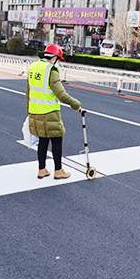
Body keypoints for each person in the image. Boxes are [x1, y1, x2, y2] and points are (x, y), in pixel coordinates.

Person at [26, 43, 81, 180]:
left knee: (43, 140)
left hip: (35, 111)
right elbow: (61, 94)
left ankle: (42, 169)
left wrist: (29, 110)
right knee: (57, 140)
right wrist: (76, 105)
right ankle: (58, 170)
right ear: (55, 57)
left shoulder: (33, 67)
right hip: (49, 111)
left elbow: (28, 91)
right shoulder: (51, 70)